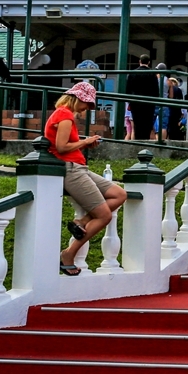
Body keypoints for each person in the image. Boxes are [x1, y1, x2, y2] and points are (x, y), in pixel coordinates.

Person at [45, 82, 126, 276]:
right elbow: (62, 147)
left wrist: (83, 144)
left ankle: (81, 222)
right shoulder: (64, 115)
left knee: (119, 194)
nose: (87, 109)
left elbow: (65, 145)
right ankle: (68, 254)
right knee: (105, 216)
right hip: (72, 170)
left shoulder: (64, 115)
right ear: (76, 99)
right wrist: (85, 141)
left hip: (79, 167)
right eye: (86, 104)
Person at [128, 55, 159, 142]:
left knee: (137, 123)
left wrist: (129, 99)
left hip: (135, 102)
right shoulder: (152, 74)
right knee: (147, 123)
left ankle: (138, 140)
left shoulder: (133, 73)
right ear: (149, 62)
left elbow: (128, 88)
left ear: (139, 61)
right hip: (149, 102)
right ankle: (145, 140)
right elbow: (156, 90)